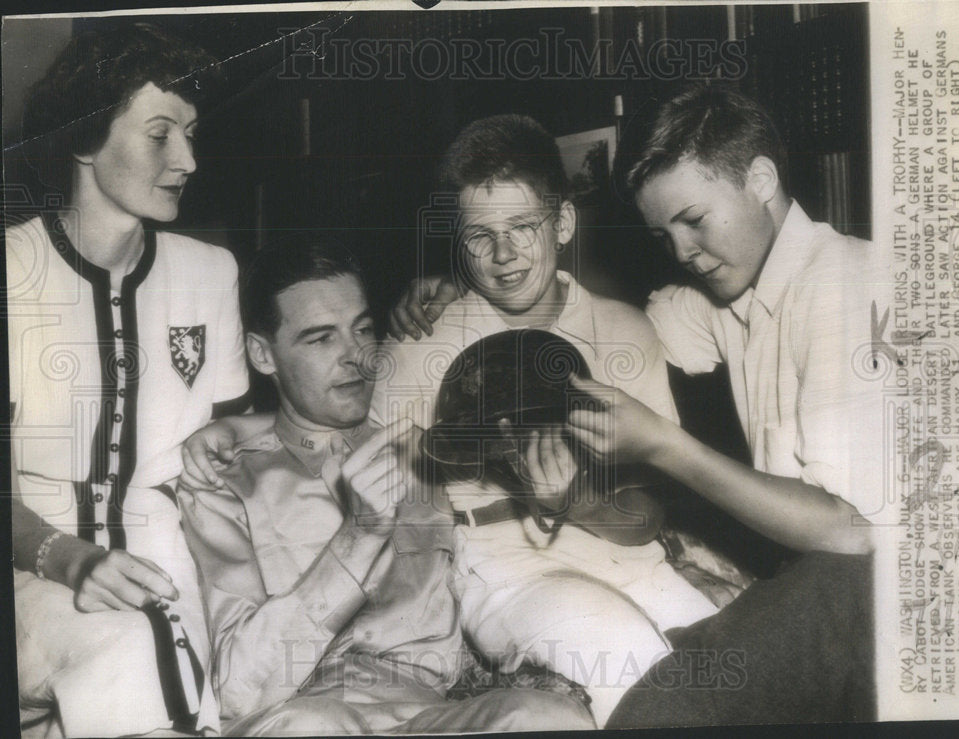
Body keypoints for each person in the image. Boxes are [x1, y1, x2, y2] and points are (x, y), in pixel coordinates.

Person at [183, 115, 721, 728]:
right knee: (626, 657)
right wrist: (234, 427)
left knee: (736, 669)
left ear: (564, 222)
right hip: (501, 567)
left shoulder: (627, 330)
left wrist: (572, 498)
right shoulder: (422, 340)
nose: (503, 254)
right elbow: (335, 419)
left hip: (624, 548)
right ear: (458, 243)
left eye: (523, 226)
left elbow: (646, 515)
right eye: (480, 236)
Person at [385, 86, 883, 725]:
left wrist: (629, 469)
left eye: (694, 220)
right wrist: (463, 290)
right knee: (653, 673)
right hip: (506, 569)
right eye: (481, 235)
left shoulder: (848, 287)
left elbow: (851, 532)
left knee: (718, 682)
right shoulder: (715, 299)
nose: (680, 251)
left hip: (869, 574)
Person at [176, 239, 596, 735]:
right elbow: (238, 689)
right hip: (302, 713)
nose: (356, 358)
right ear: (262, 354)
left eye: (363, 330)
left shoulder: (424, 452)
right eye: (320, 339)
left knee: (548, 717)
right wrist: (359, 535)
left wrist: (559, 494)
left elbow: (549, 522)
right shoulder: (223, 480)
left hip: (429, 716)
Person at [6, 24, 249, 736]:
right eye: (160, 134)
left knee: (201, 682)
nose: (189, 160)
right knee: (136, 647)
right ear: (84, 140)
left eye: (192, 134)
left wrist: (234, 436)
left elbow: (230, 437)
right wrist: (70, 557)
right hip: (27, 570)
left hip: (166, 560)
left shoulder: (211, 273)